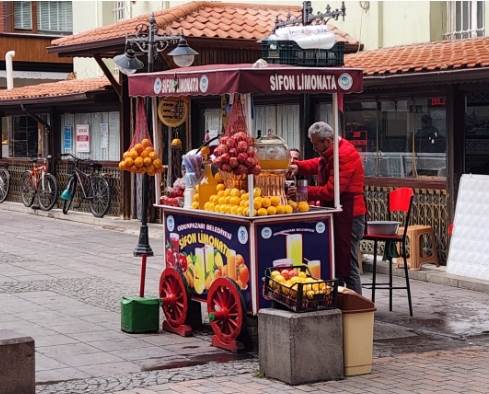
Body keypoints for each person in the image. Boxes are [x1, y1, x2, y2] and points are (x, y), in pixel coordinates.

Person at [288, 121, 366, 294]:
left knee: (348, 262)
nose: (314, 148)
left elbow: (331, 191)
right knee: (337, 260)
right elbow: (318, 163)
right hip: (339, 213)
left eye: (316, 144)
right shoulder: (331, 152)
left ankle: (357, 305)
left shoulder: (344, 155)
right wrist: (298, 166)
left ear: (327, 141)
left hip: (350, 215)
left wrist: (303, 192)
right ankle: (338, 298)